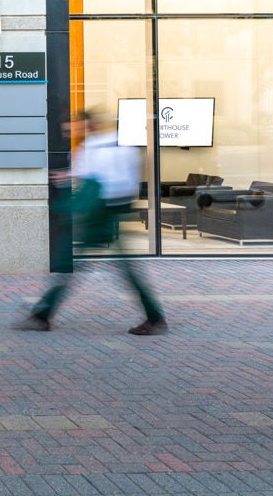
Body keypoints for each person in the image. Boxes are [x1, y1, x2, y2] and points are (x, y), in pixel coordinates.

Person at [16, 108, 166, 335]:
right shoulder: (113, 146)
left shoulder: (94, 148)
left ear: (88, 125)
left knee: (79, 266)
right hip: (106, 211)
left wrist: (77, 184)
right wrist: (70, 176)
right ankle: (42, 314)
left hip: (101, 214)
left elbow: (97, 178)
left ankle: (42, 314)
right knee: (111, 267)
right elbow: (109, 178)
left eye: (73, 127)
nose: (69, 132)